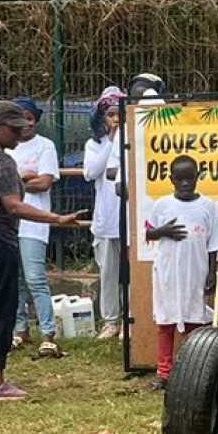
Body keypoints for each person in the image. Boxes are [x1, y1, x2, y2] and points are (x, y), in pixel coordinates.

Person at [0, 101, 86, 401]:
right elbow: (13, 206)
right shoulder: (3, 162)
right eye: (14, 129)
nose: (20, 134)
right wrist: (57, 218)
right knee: (1, 309)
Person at [145, 154, 218, 390]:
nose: (186, 183)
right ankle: (164, 372)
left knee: (194, 321)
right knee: (166, 321)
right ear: (171, 179)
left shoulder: (208, 206)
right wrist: (161, 231)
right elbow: (147, 234)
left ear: (198, 177)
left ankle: (193, 370)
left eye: (190, 178)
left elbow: (213, 244)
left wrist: (212, 272)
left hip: (195, 271)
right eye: (180, 179)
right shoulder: (162, 205)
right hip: (167, 272)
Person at [8, 97, 62, 356]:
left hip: (34, 223)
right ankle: (19, 330)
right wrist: (26, 178)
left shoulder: (45, 146)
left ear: (36, 120)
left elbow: (44, 183)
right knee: (15, 280)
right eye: (21, 118)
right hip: (8, 222)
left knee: (35, 279)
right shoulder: (7, 146)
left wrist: (15, 183)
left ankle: (48, 332)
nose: (26, 123)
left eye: (30, 118)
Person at [82, 86, 127, 340]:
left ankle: (131, 321)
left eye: (119, 113)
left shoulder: (133, 140)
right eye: (110, 114)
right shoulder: (94, 144)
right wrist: (111, 141)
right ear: (102, 117)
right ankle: (111, 321)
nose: (115, 119)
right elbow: (91, 173)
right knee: (108, 272)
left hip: (129, 218)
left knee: (131, 273)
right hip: (106, 218)